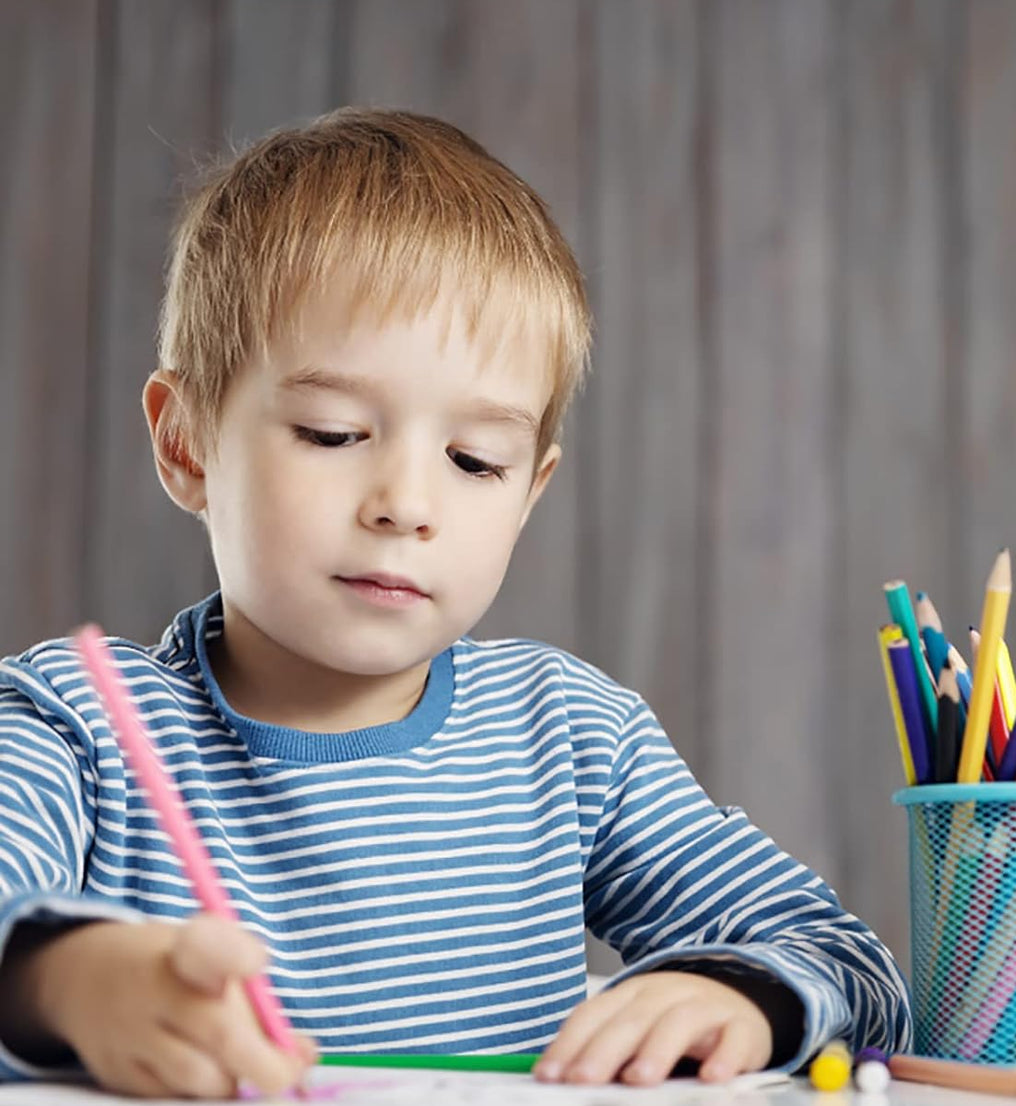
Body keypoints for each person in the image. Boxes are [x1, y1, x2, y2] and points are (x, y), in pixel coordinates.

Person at [0, 108, 909, 1099]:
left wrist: (738, 994)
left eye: (475, 460)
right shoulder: (76, 724)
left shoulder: (570, 737)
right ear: (186, 443)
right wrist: (67, 983)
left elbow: (850, 966)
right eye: (333, 433)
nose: (405, 504)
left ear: (530, 493)